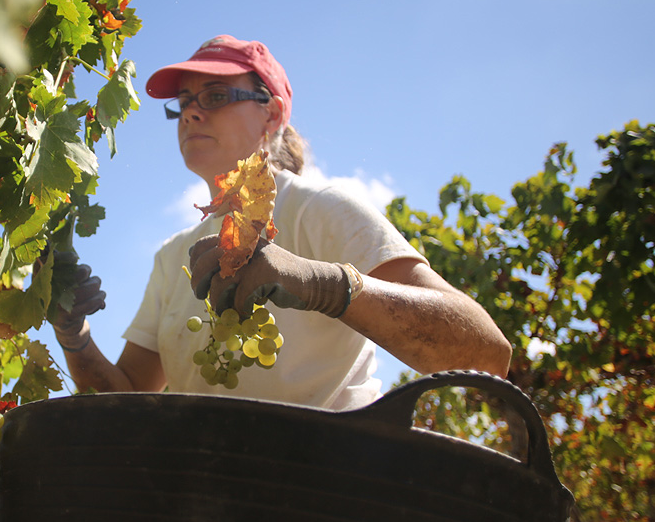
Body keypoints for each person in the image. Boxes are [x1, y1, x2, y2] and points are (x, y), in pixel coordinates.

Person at [50, 35, 512, 410]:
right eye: (184, 101)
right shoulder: (172, 257)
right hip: (206, 490)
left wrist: (324, 285)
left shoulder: (320, 209)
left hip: (329, 485)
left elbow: (487, 355)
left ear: (270, 113)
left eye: (216, 96)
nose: (190, 112)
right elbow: (127, 399)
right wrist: (75, 336)